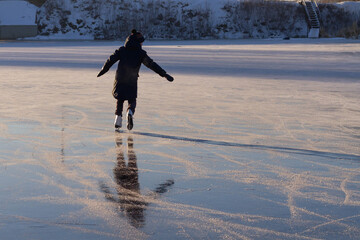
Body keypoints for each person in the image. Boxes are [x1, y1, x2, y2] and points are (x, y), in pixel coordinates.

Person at [97, 29, 174, 130]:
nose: (142, 44)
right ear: (138, 42)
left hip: (120, 78)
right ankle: (130, 111)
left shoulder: (122, 50)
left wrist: (103, 70)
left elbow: (110, 60)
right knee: (132, 99)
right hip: (132, 79)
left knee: (119, 99)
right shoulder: (141, 53)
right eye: (141, 42)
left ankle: (118, 119)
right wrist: (164, 74)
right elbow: (151, 64)